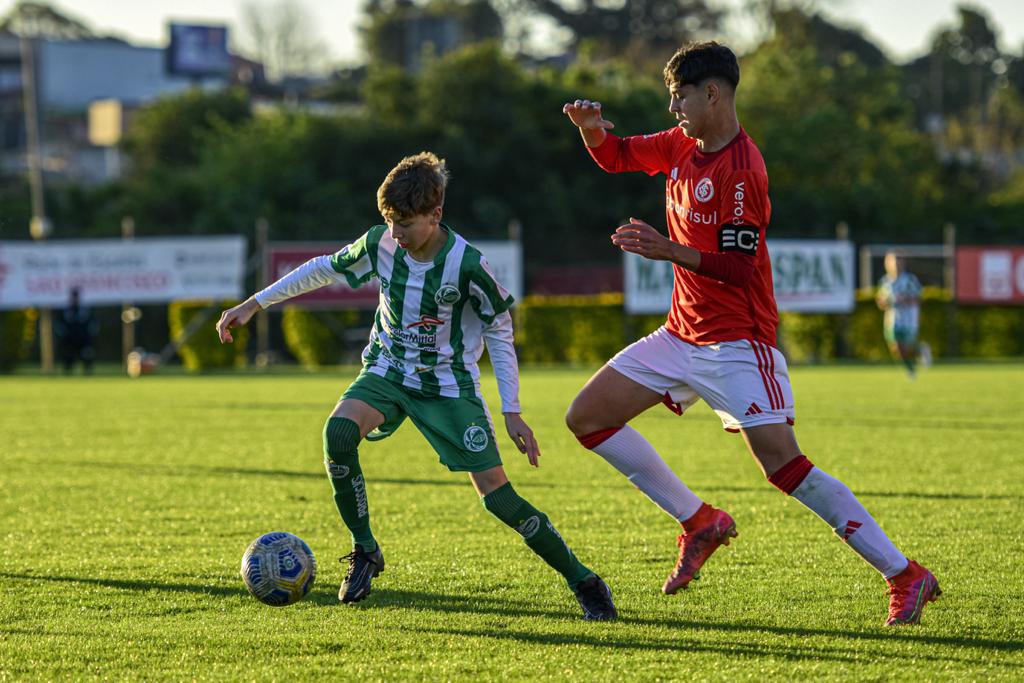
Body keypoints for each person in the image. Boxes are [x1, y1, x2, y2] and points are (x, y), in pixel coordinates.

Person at [561, 42, 940, 625]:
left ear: (713, 94)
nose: (673, 109)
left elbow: (739, 270)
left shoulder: (744, 170)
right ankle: (699, 521)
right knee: (587, 417)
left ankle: (905, 574)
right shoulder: (679, 144)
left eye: (680, 96)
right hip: (680, 335)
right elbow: (615, 156)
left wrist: (667, 249)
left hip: (738, 343)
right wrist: (590, 131)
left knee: (784, 467)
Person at [216, 152, 616, 620]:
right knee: (338, 434)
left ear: (435, 214)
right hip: (388, 370)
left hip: (448, 386)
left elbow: (499, 329)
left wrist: (512, 409)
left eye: (405, 224)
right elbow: (324, 268)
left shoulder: (468, 265)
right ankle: (365, 550)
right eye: (390, 221)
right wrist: (255, 303)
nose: (396, 233)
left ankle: (584, 582)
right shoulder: (381, 243)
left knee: (498, 498)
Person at [876, 252, 931, 377]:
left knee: (907, 347)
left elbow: (919, 298)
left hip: (909, 319)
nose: (895, 264)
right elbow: (880, 301)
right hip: (892, 320)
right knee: (896, 348)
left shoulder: (910, 279)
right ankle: (911, 369)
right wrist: (884, 302)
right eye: (892, 261)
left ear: (902, 263)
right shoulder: (885, 281)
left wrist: (905, 299)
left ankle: (920, 351)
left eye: (898, 261)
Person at [55, 287, 98, 374]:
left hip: (84, 338)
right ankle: (68, 372)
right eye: (74, 296)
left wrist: (90, 333)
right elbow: (59, 324)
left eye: (76, 296)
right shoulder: (66, 310)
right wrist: (63, 334)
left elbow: (93, 323)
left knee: (87, 353)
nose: (75, 299)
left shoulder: (85, 310)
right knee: (68, 354)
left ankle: (87, 372)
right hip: (69, 339)